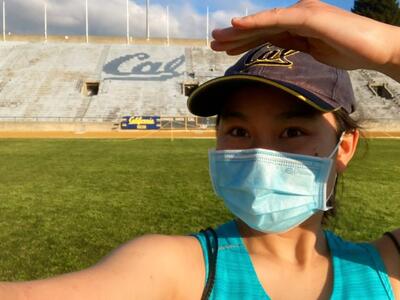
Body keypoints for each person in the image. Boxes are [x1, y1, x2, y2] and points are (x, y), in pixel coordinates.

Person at [0, 0, 399, 299]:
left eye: (292, 131)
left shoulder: (388, 269)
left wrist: (389, 48)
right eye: (239, 131)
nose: (260, 155)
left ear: (344, 147)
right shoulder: (173, 269)